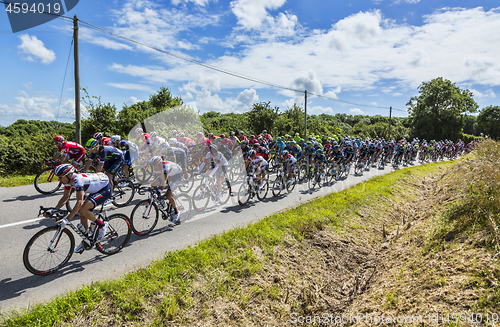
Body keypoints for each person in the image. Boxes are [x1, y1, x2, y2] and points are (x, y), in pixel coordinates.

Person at [47, 164, 110, 254]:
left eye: (60, 177)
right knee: (82, 214)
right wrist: (53, 211)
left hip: (104, 189)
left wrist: (67, 219)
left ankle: (102, 225)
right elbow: (65, 198)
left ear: (69, 175)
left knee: (82, 210)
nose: (58, 180)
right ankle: (86, 241)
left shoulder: (78, 180)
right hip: (95, 188)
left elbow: (79, 202)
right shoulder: (68, 181)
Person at [149, 156, 183, 224]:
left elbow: (164, 181)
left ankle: (177, 212)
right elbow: (161, 179)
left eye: (155, 165)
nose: (154, 167)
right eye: (153, 166)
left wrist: (159, 192)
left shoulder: (165, 166)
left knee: (168, 195)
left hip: (177, 175)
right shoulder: (156, 168)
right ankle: (161, 199)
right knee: (153, 184)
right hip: (168, 175)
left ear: (159, 164)